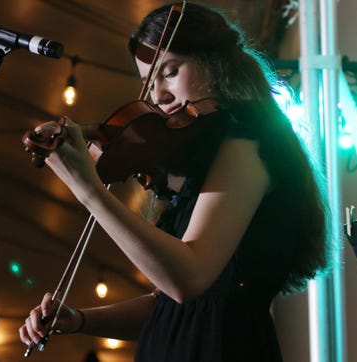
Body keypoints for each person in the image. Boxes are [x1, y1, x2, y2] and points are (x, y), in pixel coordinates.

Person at [19, 2, 332, 361]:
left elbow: (188, 279)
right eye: (148, 83)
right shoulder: (203, 162)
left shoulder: (252, 142)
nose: (158, 96)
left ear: (214, 64)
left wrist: (88, 189)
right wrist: (81, 320)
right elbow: (171, 308)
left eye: (169, 72)